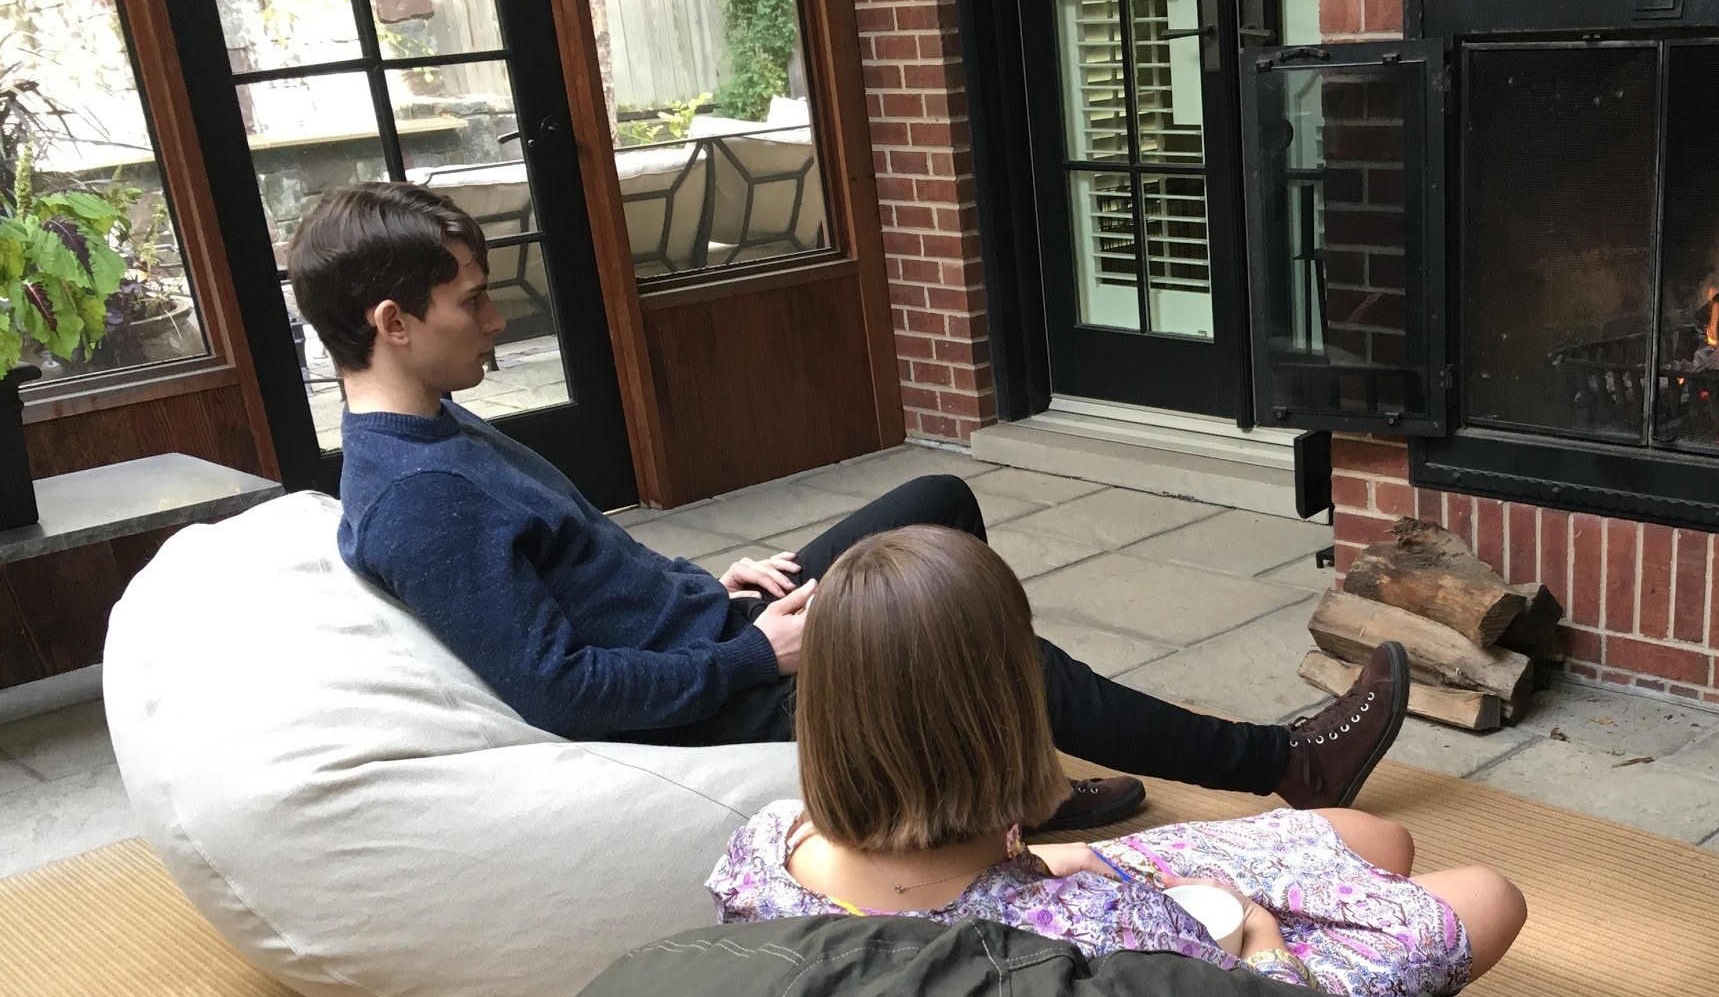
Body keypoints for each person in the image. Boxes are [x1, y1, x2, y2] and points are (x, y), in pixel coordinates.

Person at [288, 182, 1409, 836]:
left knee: (936, 498)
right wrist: (759, 660)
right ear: (392, 321)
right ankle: (1281, 764)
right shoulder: (419, 497)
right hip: (714, 700)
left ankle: (1005, 778)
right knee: (979, 639)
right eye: (471, 302)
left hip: (715, 631)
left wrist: (712, 587)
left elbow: (582, 574)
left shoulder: (440, 426)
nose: (494, 322)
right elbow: (563, 693)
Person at [709, 525, 1527, 997]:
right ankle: (1297, 789)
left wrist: (1044, 861)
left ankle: (1304, 770)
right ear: (1015, 717)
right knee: (1490, 895)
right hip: (1137, 952)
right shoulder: (1108, 933)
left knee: (1370, 837)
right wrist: (1265, 937)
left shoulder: (768, 843)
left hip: (1007, 882)